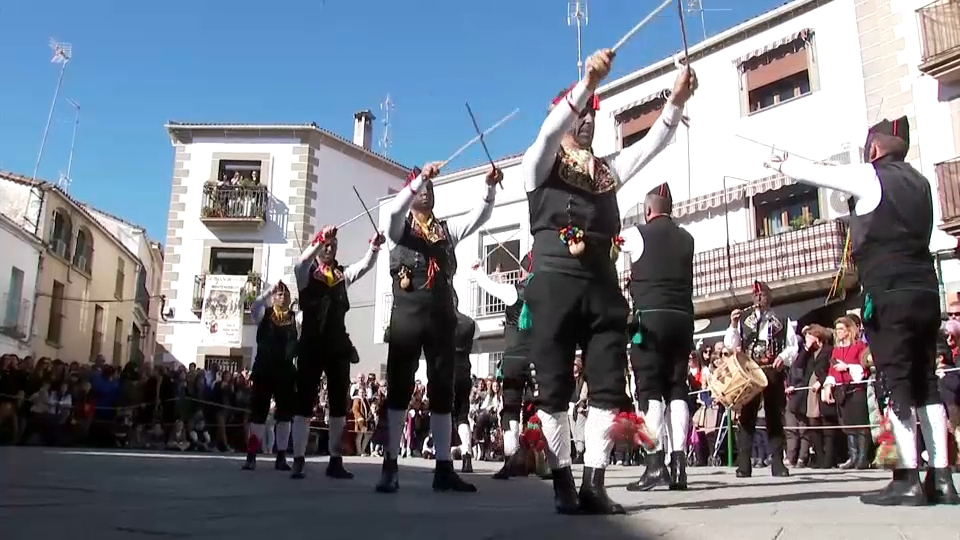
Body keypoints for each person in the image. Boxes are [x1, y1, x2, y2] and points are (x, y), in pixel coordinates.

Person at [520, 47, 696, 515]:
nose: (586, 123)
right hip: (555, 284)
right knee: (554, 389)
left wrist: (675, 102)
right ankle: (561, 480)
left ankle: (594, 483)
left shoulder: (606, 172)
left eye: (592, 118)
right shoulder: (538, 164)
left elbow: (652, 143)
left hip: (601, 289)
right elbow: (547, 132)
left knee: (607, 387)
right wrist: (587, 84)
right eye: (579, 116)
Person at [766, 116, 959, 505]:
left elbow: (823, 175)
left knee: (896, 382)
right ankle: (942, 480)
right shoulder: (922, 184)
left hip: (889, 291)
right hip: (925, 290)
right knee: (928, 383)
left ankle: (905, 477)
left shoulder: (871, 176)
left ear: (873, 149)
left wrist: (783, 164)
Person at [376, 163, 501, 494]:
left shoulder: (447, 230)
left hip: (442, 317)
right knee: (400, 388)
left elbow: (480, 217)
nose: (426, 191)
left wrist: (488, 189)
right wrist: (419, 179)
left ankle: (444, 468)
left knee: (443, 390)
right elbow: (392, 211)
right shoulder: (396, 229)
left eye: (430, 188)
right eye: (419, 188)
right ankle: (390, 464)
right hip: (407, 318)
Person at [290, 225, 383, 480]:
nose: (329, 248)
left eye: (333, 245)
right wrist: (319, 238)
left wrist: (374, 247)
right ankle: (298, 458)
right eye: (325, 246)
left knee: (339, 404)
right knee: (304, 403)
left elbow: (364, 266)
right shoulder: (305, 274)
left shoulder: (342, 275)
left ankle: (335, 459)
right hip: (311, 344)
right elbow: (300, 262)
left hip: (337, 346)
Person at [620, 182, 695, 492]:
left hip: (650, 319)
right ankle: (679, 467)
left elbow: (608, 241)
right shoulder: (687, 238)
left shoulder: (637, 234)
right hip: (682, 318)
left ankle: (655, 465)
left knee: (650, 391)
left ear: (648, 210)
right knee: (677, 389)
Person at [469, 255, 547, 479]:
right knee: (538, 410)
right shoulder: (546, 295)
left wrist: (478, 270)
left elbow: (487, 285)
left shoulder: (513, 291)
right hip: (537, 359)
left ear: (523, 271)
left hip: (513, 360)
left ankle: (513, 460)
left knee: (511, 410)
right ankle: (542, 461)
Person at [723, 281, 798, 478]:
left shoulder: (781, 319)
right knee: (747, 418)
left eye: (762, 295)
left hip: (771, 372)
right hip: (750, 373)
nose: (758, 298)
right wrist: (732, 324)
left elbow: (792, 346)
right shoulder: (744, 321)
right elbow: (730, 343)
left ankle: (778, 463)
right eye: (755, 295)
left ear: (769, 298)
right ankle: (744, 464)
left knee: (774, 416)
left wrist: (783, 357)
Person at [242, 281, 298, 471]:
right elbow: (255, 306)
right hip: (264, 369)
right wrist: (267, 291)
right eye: (279, 294)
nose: (282, 296)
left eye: (285, 294)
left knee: (284, 417)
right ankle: (251, 456)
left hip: (285, 372)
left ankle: (281, 456)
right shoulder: (264, 314)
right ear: (274, 297)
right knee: (258, 415)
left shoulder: (295, 318)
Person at [451, 290, 479, 473]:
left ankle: (443, 461)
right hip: (464, 369)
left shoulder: (442, 322)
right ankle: (467, 455)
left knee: (443, 413)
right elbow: (476, 336)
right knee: (463, 416)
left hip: (447, 370)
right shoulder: (470, 322)